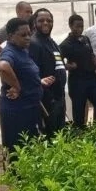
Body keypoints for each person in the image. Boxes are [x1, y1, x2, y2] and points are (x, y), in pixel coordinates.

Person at [0, 18, 54, 156]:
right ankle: (17, 177)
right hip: (17, 111)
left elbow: (24, 73)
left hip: (29, 108)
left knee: (31, 147)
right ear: (10, 37)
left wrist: (38, 81)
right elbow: (2, 67)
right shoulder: (9, 52)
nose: (28, 37)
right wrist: (16, 86)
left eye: (29, 33)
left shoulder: (22, 50)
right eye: (23, 35)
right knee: (18, 149)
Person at [59, 14, 96, 128]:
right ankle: (80, 136)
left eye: (82, 26)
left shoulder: (85, 39)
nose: (80, 29)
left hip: (92, 79)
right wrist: (69, 66)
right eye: (77, 26)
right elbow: (57, 62)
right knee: (79, 113)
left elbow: (92, 57)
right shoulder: (65, 44)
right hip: (77, 82)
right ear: (70, 26)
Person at [28, 8, 67, 136]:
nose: (46, 23)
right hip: (46, 98)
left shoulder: (51, 42)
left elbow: (57, 63)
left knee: (59, 133)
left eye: (49, 20)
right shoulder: (34, 43)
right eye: (41, 20)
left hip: (58, 95)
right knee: (50, 134)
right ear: (34, 23)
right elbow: (32, 71)